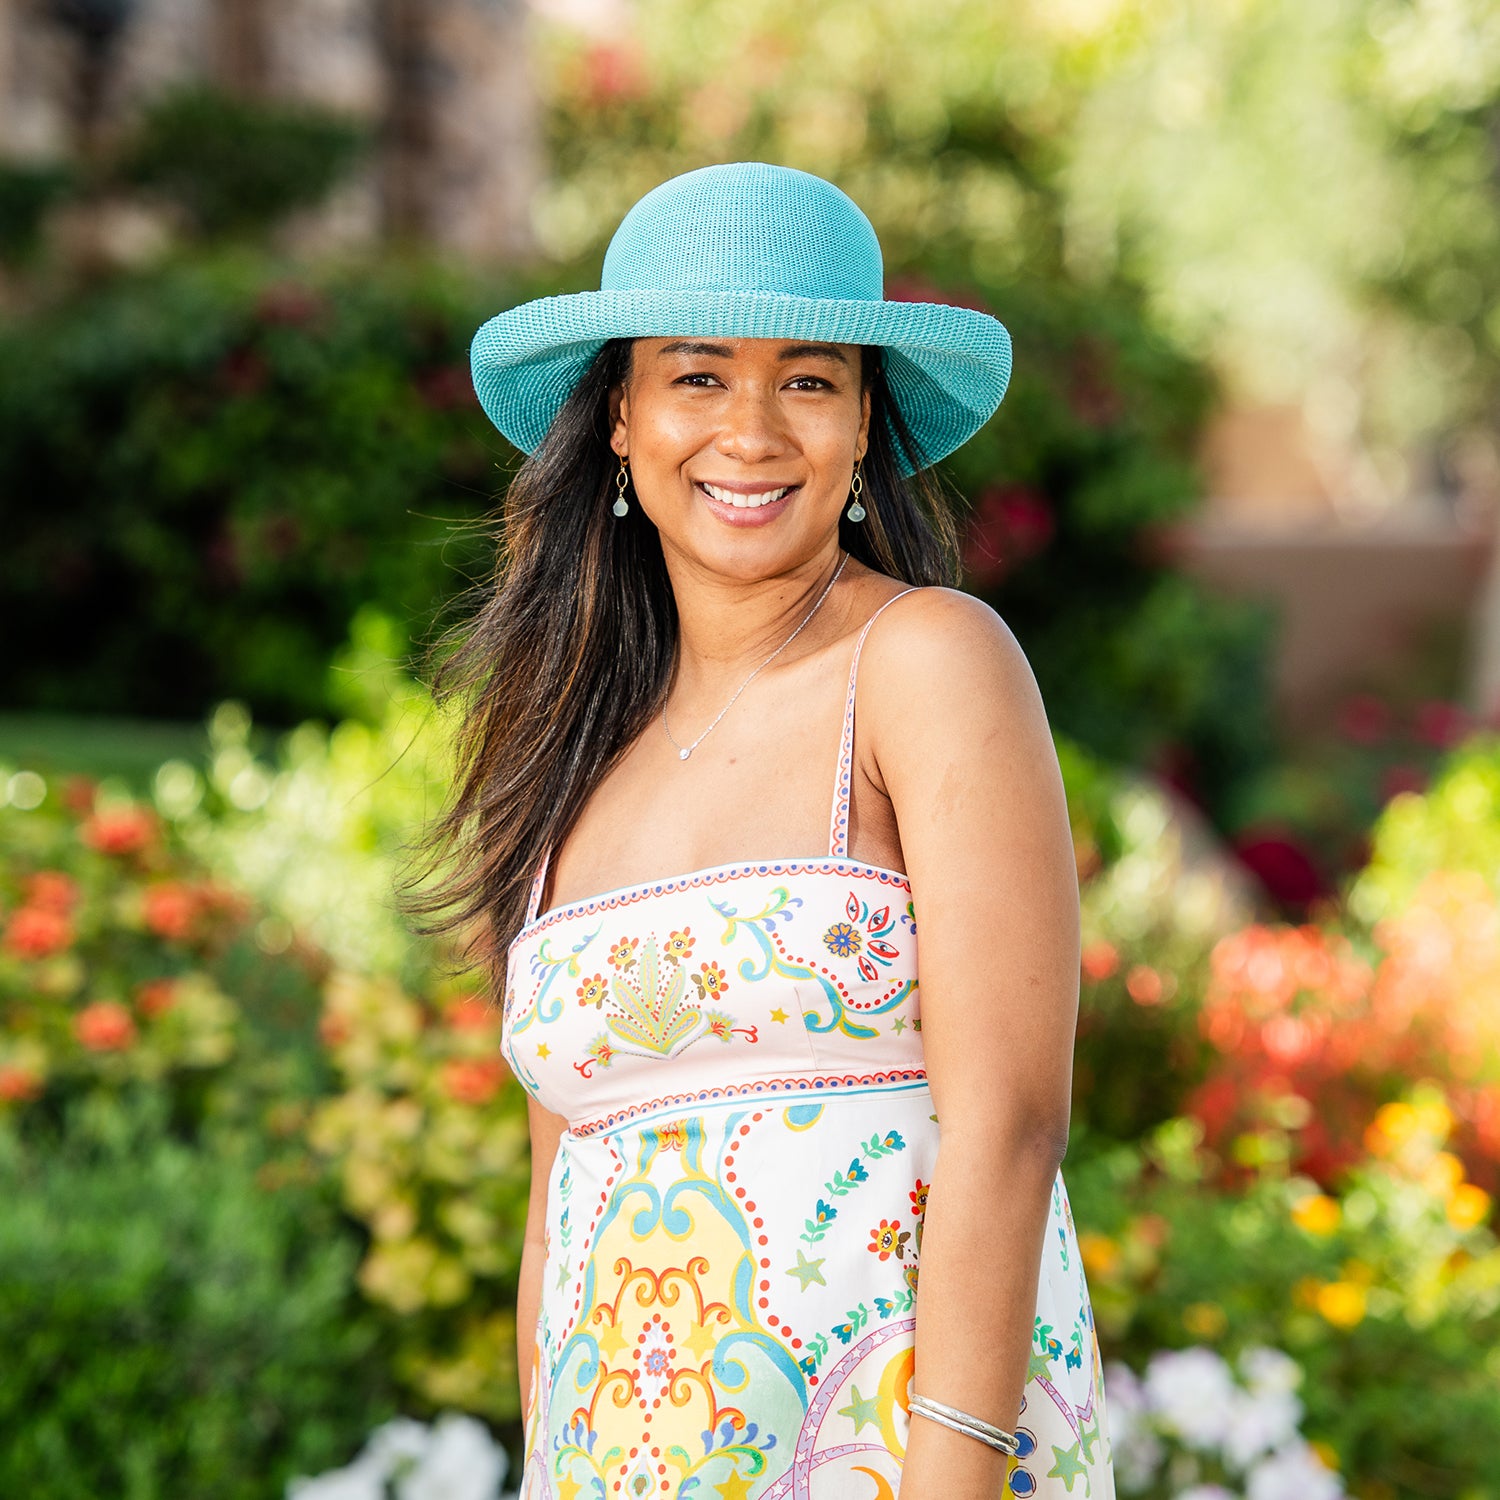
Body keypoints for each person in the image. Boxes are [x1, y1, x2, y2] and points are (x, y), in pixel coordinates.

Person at [423, 162, 1115, 1499]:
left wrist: (958, 1474)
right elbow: (555, 1209)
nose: (751, 431)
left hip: (900, 1462)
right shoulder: (568, 747)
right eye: (697, 376)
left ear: (865, 427)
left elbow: (1011, 1117)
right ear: (620, 419)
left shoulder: (924, 664)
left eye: (807, 380)